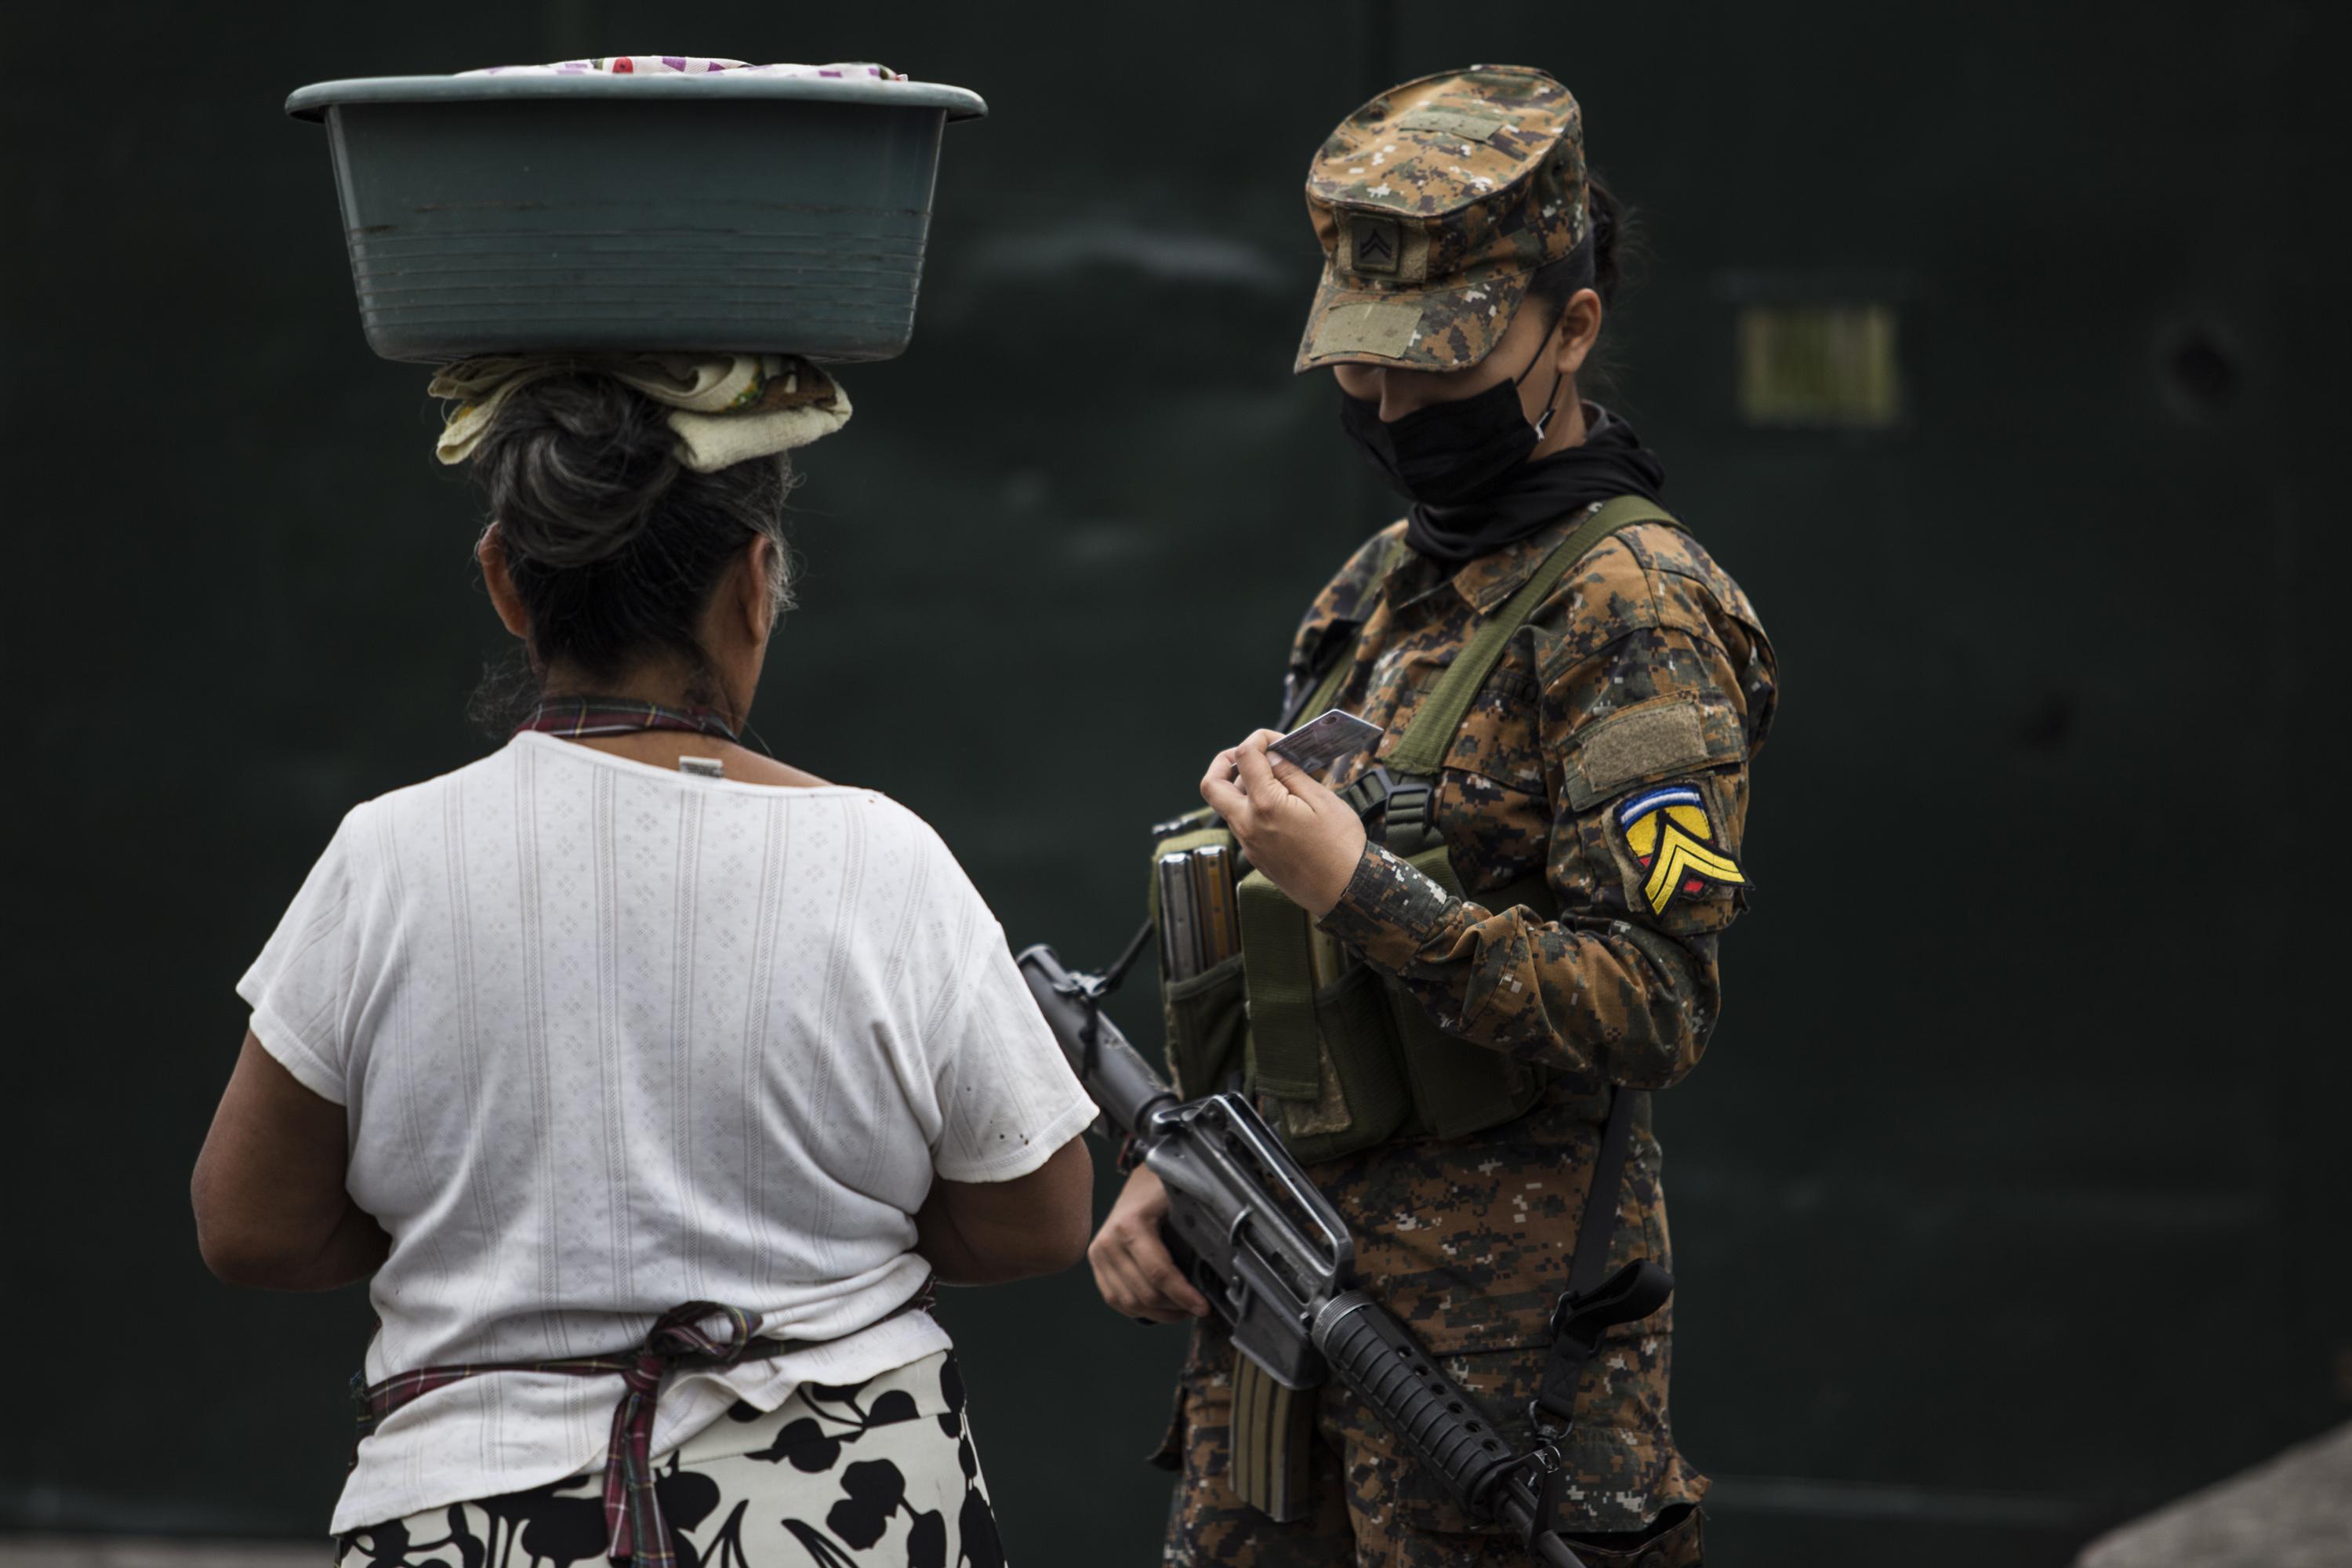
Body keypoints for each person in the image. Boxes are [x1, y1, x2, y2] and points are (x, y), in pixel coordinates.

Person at [191, 357, 1098, 1568]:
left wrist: (502, 1235)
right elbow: (1040, 1215)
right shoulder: (880, 857)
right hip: (840, 1510)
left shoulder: (388, 857)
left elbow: (250, 1224)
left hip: (472, 1515)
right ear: (757, 584)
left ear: (508, 584)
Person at [1087, 67, 1777, 1568]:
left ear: (1571, 329)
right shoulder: (1377, 587)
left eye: (1440, 368)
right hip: (1280, 1326)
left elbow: (1656, 1001)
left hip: (1496, 1382)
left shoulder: (1635, 613)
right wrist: (1181, 1166)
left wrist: (1365, 891)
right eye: (1362, 366)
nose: (1393, 407)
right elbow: (1296, 976)